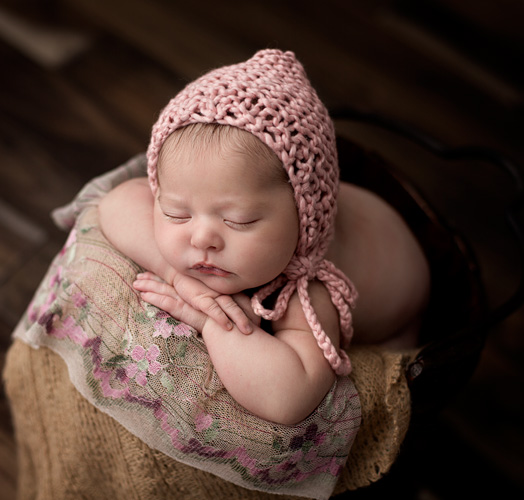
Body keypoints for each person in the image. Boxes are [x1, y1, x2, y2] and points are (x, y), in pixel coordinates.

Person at [98, 49, 429, 426]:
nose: (202, 238)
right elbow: (116, 202)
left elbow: (288, 398)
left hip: (399, 318)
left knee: (389, 389)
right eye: (177, 213)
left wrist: (211, 322)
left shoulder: (309, 287)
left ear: (303, 221)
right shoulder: (209, 196)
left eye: (240, 221)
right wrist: (176, 276)